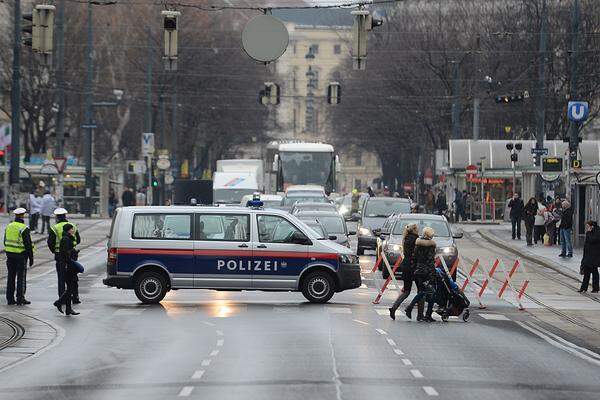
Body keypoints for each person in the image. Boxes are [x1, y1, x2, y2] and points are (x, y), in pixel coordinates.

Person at [48, 208, 81, 304]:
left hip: (60, 256)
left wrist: (55, 251)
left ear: (57, 217)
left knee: (61, 278)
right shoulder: (73, 226)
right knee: (73, 277)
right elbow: (78, 240)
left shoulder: (54, 228)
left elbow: (50, 243)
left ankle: (62, 298)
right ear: (65, 216)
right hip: (72, 255)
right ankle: (75, 297)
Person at [389, 224, 422, 320]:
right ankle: (420, 314)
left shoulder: (406, 238)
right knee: (421, 290)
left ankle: (394, 308)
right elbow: (417, 254)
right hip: (414, 267)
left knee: (406, 290)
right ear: (415, 230)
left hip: (406, 265)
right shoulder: (416, 240)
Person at [404, 227, 437, 322]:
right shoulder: (431, 245)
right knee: (431, 292)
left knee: (423, 291)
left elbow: (414, 257)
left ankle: (418, 311)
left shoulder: (418, 244)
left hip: (418, 271)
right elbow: (430, 261)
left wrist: (415, 269)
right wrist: (432, 273)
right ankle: (425, 313)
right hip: (427, 272)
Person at [4, 208, 34, 305]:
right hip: (20, 256)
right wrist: (31, 257)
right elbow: (28, 244)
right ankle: (20, 298)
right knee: (21, 277)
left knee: (10, 277)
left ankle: (10, 299)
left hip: (9, 255)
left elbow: (5, 241)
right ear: (22, 216)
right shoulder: (24, 228)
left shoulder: (9, 226)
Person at [53, 224, 81, 315]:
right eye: (72, 229)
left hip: (68, 266)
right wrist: (73, 255)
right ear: (68, 230)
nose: (73, 230)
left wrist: (73, 252)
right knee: (71, 288)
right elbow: (65, 253)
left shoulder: (68, 238)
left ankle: (68, 309)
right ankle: (59, 302)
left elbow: (67, 252)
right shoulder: (66, 239)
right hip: (67, 267)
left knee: (70, 287)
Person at [579, 221, 599, 293]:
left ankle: (595, 288)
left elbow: (592, 240)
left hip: (593, 256)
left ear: (592, 226)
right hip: (588, 256)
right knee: (587, 272)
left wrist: (588, 233)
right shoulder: (592, 232)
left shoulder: (596, 232)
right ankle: (584, 288)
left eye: (588, 226)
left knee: (594, 272)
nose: (587, 228)